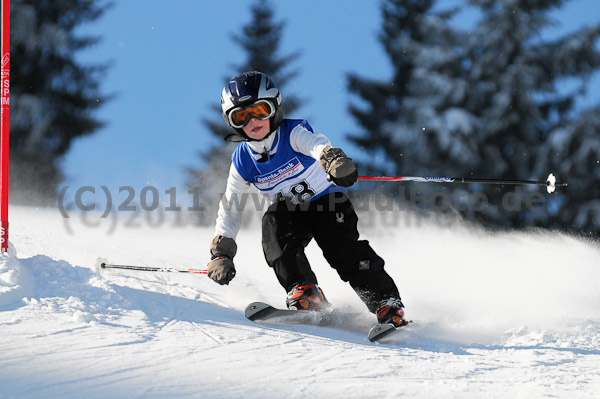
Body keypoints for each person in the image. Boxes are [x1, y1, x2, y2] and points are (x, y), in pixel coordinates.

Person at [206, 71, 407, 328]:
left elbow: (317, 145)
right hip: (290, 212)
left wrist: (334, 161)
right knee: (274, 227)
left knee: (341, 250)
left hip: (327, 202)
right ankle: (305, 291)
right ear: (231, 123)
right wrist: (222, 252)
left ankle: (386, 303)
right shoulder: (242, 161)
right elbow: (231, 206)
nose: (253, 120)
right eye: (241, 116)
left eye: (259, 110)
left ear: (275, 108)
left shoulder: (292, 134)